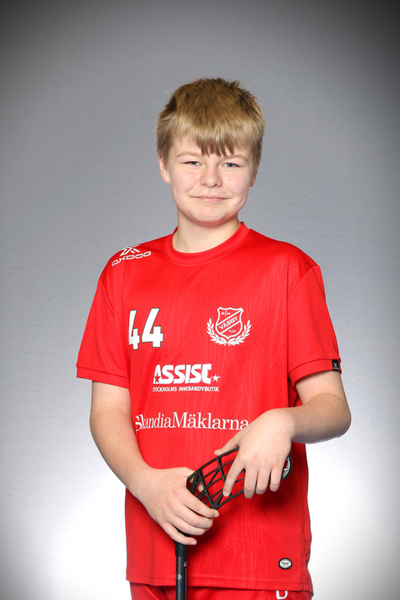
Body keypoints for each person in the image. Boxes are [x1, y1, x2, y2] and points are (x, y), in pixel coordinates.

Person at [77, 78, 351, 600]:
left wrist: (284, 420)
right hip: (157, 547)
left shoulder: (287, 269)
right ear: (163, 164)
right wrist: (146, 484)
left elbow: (333, 408)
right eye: (192, 161)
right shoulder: (123, 273)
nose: (210, 179)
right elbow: (108, 410)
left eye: (230, 163)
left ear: (254, 169)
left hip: (258, 557)